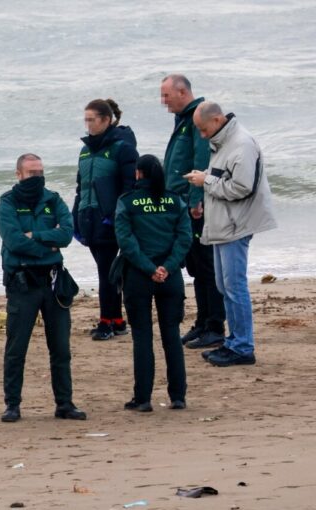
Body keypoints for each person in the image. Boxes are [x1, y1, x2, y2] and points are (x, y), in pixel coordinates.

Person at [186, 102, 277, 367]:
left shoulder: (242, 143)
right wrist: (205, 177)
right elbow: (224, 177)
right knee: (224, 286)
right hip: (223, 223)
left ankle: (242, 347)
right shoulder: (223, 141)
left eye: (203, 129)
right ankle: (234, 340)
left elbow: (242, 187)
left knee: (234, 287)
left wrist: (207, 181)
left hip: (237, 225)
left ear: (216, 120)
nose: (202, 135)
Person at [0, 153, 86, 423]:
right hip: (22, 283)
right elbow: (13, 241)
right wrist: (48, 246)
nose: (37, 177)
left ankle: (65, 404)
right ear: (19, 174)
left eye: (40, 172)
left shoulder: (54, 200)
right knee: (16, 347)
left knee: (60, 347)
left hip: (53, 282)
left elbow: (67, 234)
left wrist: (35, 236)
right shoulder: (7, 203)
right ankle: (12, 404)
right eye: (31, 173)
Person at [114, 155, 192, 412]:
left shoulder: (128, 202)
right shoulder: (175, 200)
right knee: (171, 335)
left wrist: (149, 269)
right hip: (170, 276)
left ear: (138, 174)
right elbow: (184, 238)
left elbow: (126, 241)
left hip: (139, 275)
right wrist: (167, 267)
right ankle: (178, 396)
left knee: (142, 336)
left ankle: (143, 398)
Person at [161, 74, 226, 350]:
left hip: (195, 204)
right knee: (197, 268)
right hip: (180, 203)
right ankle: (202, 323)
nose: (164, 102)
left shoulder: (196, 118)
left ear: (183, 91)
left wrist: (196, 199)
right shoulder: (183, 120)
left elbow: (202, 162)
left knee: (208, 266)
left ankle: (215, 326)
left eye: (167, 96)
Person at [72, 98, 139, 340]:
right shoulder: (85, 150)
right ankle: (117, 320)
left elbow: (130, 187)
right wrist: (75, 216)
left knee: (105, 272)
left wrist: (116, 217)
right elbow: (81, 187)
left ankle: (107, 322)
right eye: (85, 120)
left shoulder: (123, 148)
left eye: (91, 120)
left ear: (106, 120)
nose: (87, 124)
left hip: (109, 221)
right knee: (107, 271)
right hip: (88, 218)